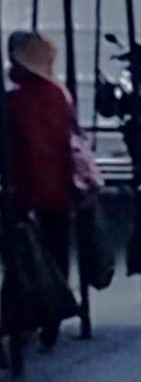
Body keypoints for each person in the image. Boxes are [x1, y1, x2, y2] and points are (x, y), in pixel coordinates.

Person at [6, 32, 76, 350]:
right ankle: (48, 317)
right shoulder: (54, 95)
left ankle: (27, 316)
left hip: (25, 186)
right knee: (53, 248)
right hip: (54, 184)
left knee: (21, 256)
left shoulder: (16, 99)